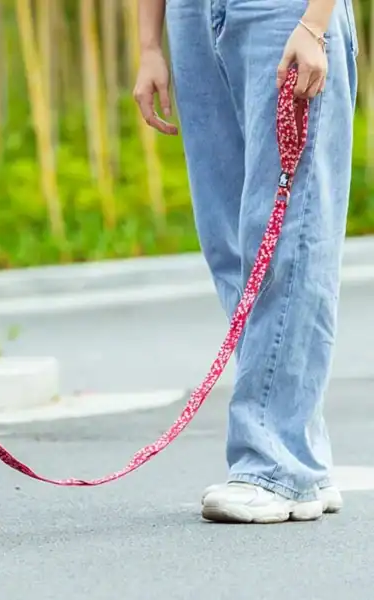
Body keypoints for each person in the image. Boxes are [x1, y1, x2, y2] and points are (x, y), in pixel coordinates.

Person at [133, 0, 358, 523]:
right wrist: (148, 44)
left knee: (286, 234)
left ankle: (274, 464)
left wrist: (316, 21)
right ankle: (302, 454)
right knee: (230, 244)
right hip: (190, 17)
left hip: (286, 12)